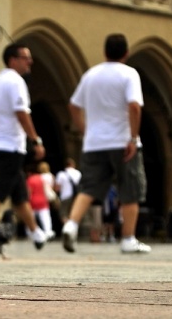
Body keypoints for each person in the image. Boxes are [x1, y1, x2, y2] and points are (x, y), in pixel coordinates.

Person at [62, 33, 151, 254]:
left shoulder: (90, 75)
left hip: (94, 143)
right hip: (122, 142)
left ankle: (71, 225)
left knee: (89, 188)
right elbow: (134, 107)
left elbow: (73, 106)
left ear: (105, 52)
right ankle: (128, 239)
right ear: (126, 53)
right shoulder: (129, 74)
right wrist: (132, 137)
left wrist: (85, 130)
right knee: (130, 189)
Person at [0, 43, 47, 249]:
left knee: (19, 195)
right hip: (11, 146)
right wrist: (35, 140)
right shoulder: (16, 82)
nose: (30, 61)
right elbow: (21, 113)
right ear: (13, 60)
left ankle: (37, 234)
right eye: (26, 57)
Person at [26, 167, 55, 240]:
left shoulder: (30, 179)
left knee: (30, 218)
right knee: (45, 218)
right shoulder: (42, 179)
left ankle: (31, 232)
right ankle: (48, 232)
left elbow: (29, 191)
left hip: (33, 201)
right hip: (43, 200)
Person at [55, 158, 82, 225]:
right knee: (74, 213)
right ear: (73, 165)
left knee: (63, 214)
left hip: (65, 196)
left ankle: (67, 227)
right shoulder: (78, 173)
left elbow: (57, 188)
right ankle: (73, 229)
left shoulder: (61, 174)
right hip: (77, 197)